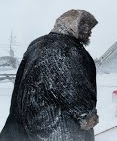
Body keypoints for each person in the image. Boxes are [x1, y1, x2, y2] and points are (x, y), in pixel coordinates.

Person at [0, 10, 99, 141]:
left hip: (25, 127)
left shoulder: (37, 45)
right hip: (57, 130)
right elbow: (74, 92)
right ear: (74, 26)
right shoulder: (65, 50)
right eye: (86, 28)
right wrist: (88, 115)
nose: (90, 32)